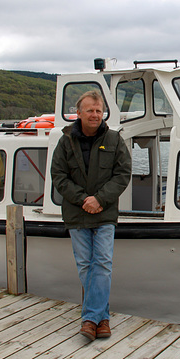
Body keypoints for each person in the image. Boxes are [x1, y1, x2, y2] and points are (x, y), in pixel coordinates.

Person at [51, 90, 131, 341]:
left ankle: (90, 320)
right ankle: (102, 319)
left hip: (104, 213)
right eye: (90, 110)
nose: (95, 115)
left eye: (98, 110)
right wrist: (83, 200)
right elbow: (58, 176)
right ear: (79, 113)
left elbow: (123, 174)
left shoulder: (114, 140)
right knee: (86, 266)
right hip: (77, 214)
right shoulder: (66, 142)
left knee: (103, 265)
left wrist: (99, 199)